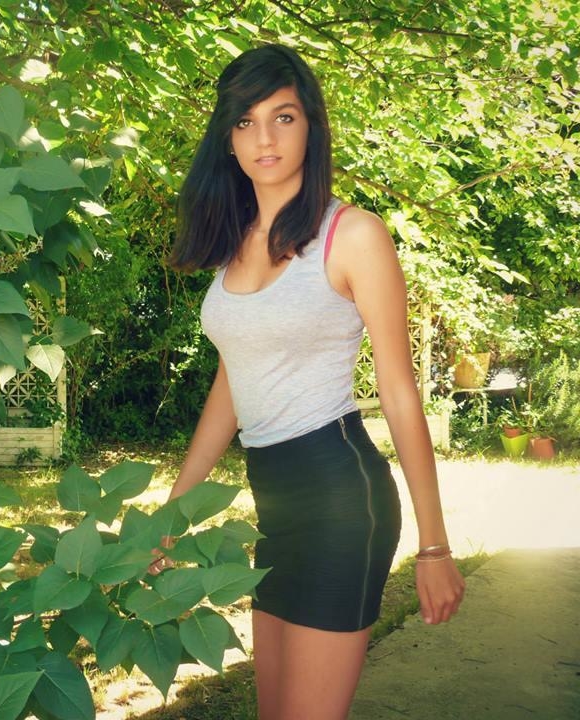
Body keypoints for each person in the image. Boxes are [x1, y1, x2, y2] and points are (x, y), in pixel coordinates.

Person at [147, 43, 465, 720]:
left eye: (283, 118)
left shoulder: (353, 235)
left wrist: (434, 546)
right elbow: (232, 383)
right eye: (245, 121)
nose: (264, 138)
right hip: (277, 506)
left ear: (311, 127)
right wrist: (173, 515)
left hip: (340, 499)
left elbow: (399, 390)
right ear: (227, 138)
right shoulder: (234, 242)